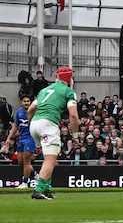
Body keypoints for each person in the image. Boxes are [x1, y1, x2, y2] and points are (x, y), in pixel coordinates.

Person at [27, 65, 80, 200]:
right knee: (50, 160)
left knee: (48, 159)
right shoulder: (69, 91)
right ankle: (38, 190)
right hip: (48, 124)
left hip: (34, 124)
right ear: (70, 79)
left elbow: (31, 109)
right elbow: (73, 116)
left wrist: (31, 124)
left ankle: (47, 189)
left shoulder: (44, 90)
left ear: (57, 77)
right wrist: (75, 135)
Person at [2, 95, 37, 188]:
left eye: (28, 101)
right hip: (21, 139)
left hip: (30, 139)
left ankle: (25, 182)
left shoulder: (34, 112)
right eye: (24, 101)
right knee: (20, 162)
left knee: (26, 161)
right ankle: (35, 175)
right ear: (22, 102)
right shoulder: (18, 112)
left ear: (30, 102)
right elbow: (15, 126)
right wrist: (9, 138)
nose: (26, 103)